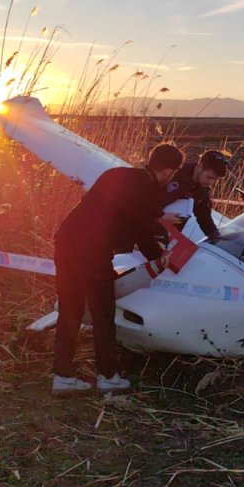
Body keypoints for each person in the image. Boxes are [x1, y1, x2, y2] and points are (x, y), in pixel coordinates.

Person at [51, 144, 185, 396]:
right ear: (168, 171)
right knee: (103, 314)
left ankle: (62, 376)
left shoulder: (116, 174)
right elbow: (143, 231)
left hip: (65, 241)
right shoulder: (147, 189)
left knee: (70, 311)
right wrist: (160, 259)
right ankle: (108, 376)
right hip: (92, 251)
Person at [157, 149, 230, 240]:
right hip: (146, 227)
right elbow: (145, 199)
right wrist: (160, 217)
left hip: (167, 236)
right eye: (209, 177)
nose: (211, 182)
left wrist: (215, 236)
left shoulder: (202, 188)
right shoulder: (175, 174)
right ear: (200, 167)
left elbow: (203, 215)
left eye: (216, 179)